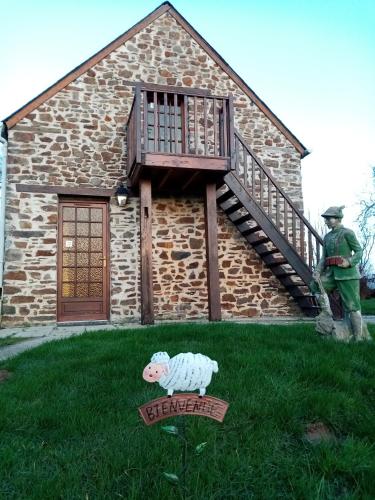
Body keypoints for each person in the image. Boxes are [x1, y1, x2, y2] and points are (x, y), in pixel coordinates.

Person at [311, 205, 369, 340]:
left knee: (352, 305)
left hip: (347, 274)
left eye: (328, 218)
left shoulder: (347, 233)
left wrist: (349, 262)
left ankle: (358, 337)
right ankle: (326, 313)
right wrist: (318, 271)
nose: (326, 221)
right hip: (331, 274)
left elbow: (359, 251)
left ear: (337, 218)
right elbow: (324, 257)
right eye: (325, 219)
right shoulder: (327, 237)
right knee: (315, 285)